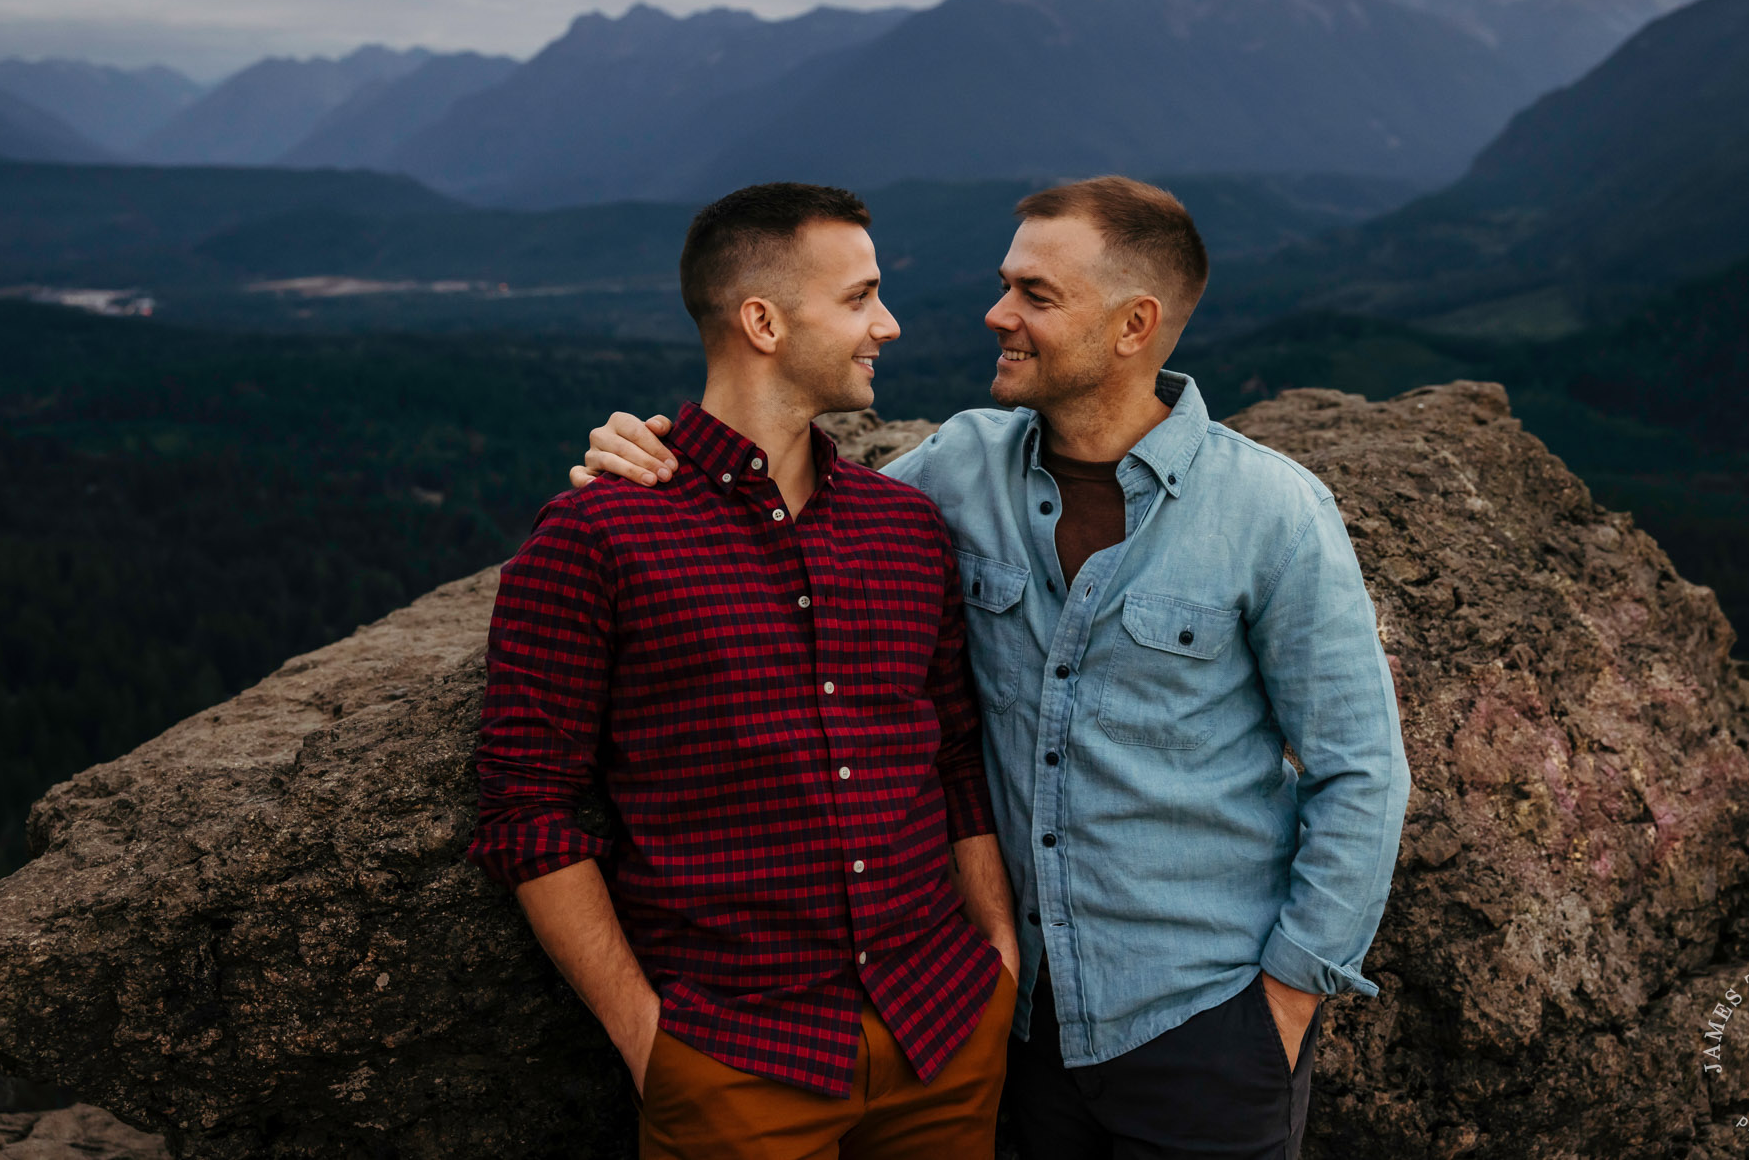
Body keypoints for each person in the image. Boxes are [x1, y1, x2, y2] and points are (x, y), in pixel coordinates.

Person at [575, 175, 1412, 1159]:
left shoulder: (1272, 511)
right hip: (1010, 1036)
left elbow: (1359, 771)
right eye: (1005, 283)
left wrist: (1281, 1004)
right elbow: (788, 512)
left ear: (1133, 323)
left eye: (1034, 294)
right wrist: (649, 454)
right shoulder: (953, 470)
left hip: (1203, 1025)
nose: (995, 312)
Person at [469, 182, 1021, 1160]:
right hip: (735, 1065)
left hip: (944, 1031)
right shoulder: (598, 535)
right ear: (761, 319)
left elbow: (953, 747)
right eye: (859, 297)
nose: (886, 324)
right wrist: (650, 1043)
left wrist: (995, 952)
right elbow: (527, 805)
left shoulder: (905, 527)